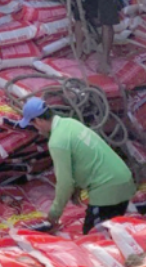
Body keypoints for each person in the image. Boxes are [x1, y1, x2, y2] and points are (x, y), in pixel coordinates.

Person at [18, 96, 135, 233]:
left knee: (92, 240)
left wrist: (53, 215)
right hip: (124, 180)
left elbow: (64, 183)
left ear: (38, 120)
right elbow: (84, 157)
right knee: (112, 235)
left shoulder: (57, 141)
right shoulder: (70, 123)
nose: (36, 129)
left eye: (33, 124)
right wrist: (78, 186)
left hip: (107, 189)